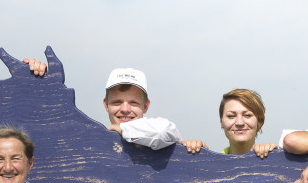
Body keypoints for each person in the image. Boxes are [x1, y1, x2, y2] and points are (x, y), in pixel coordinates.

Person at [23, 57, 201, 152]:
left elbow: (163, 132)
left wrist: (122, 130)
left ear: (146, 106)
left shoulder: (161, 133)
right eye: (117, 102)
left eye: (133, 103)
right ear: (105, 104)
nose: (125, 109)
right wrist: (37, 82)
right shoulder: (91, 142)